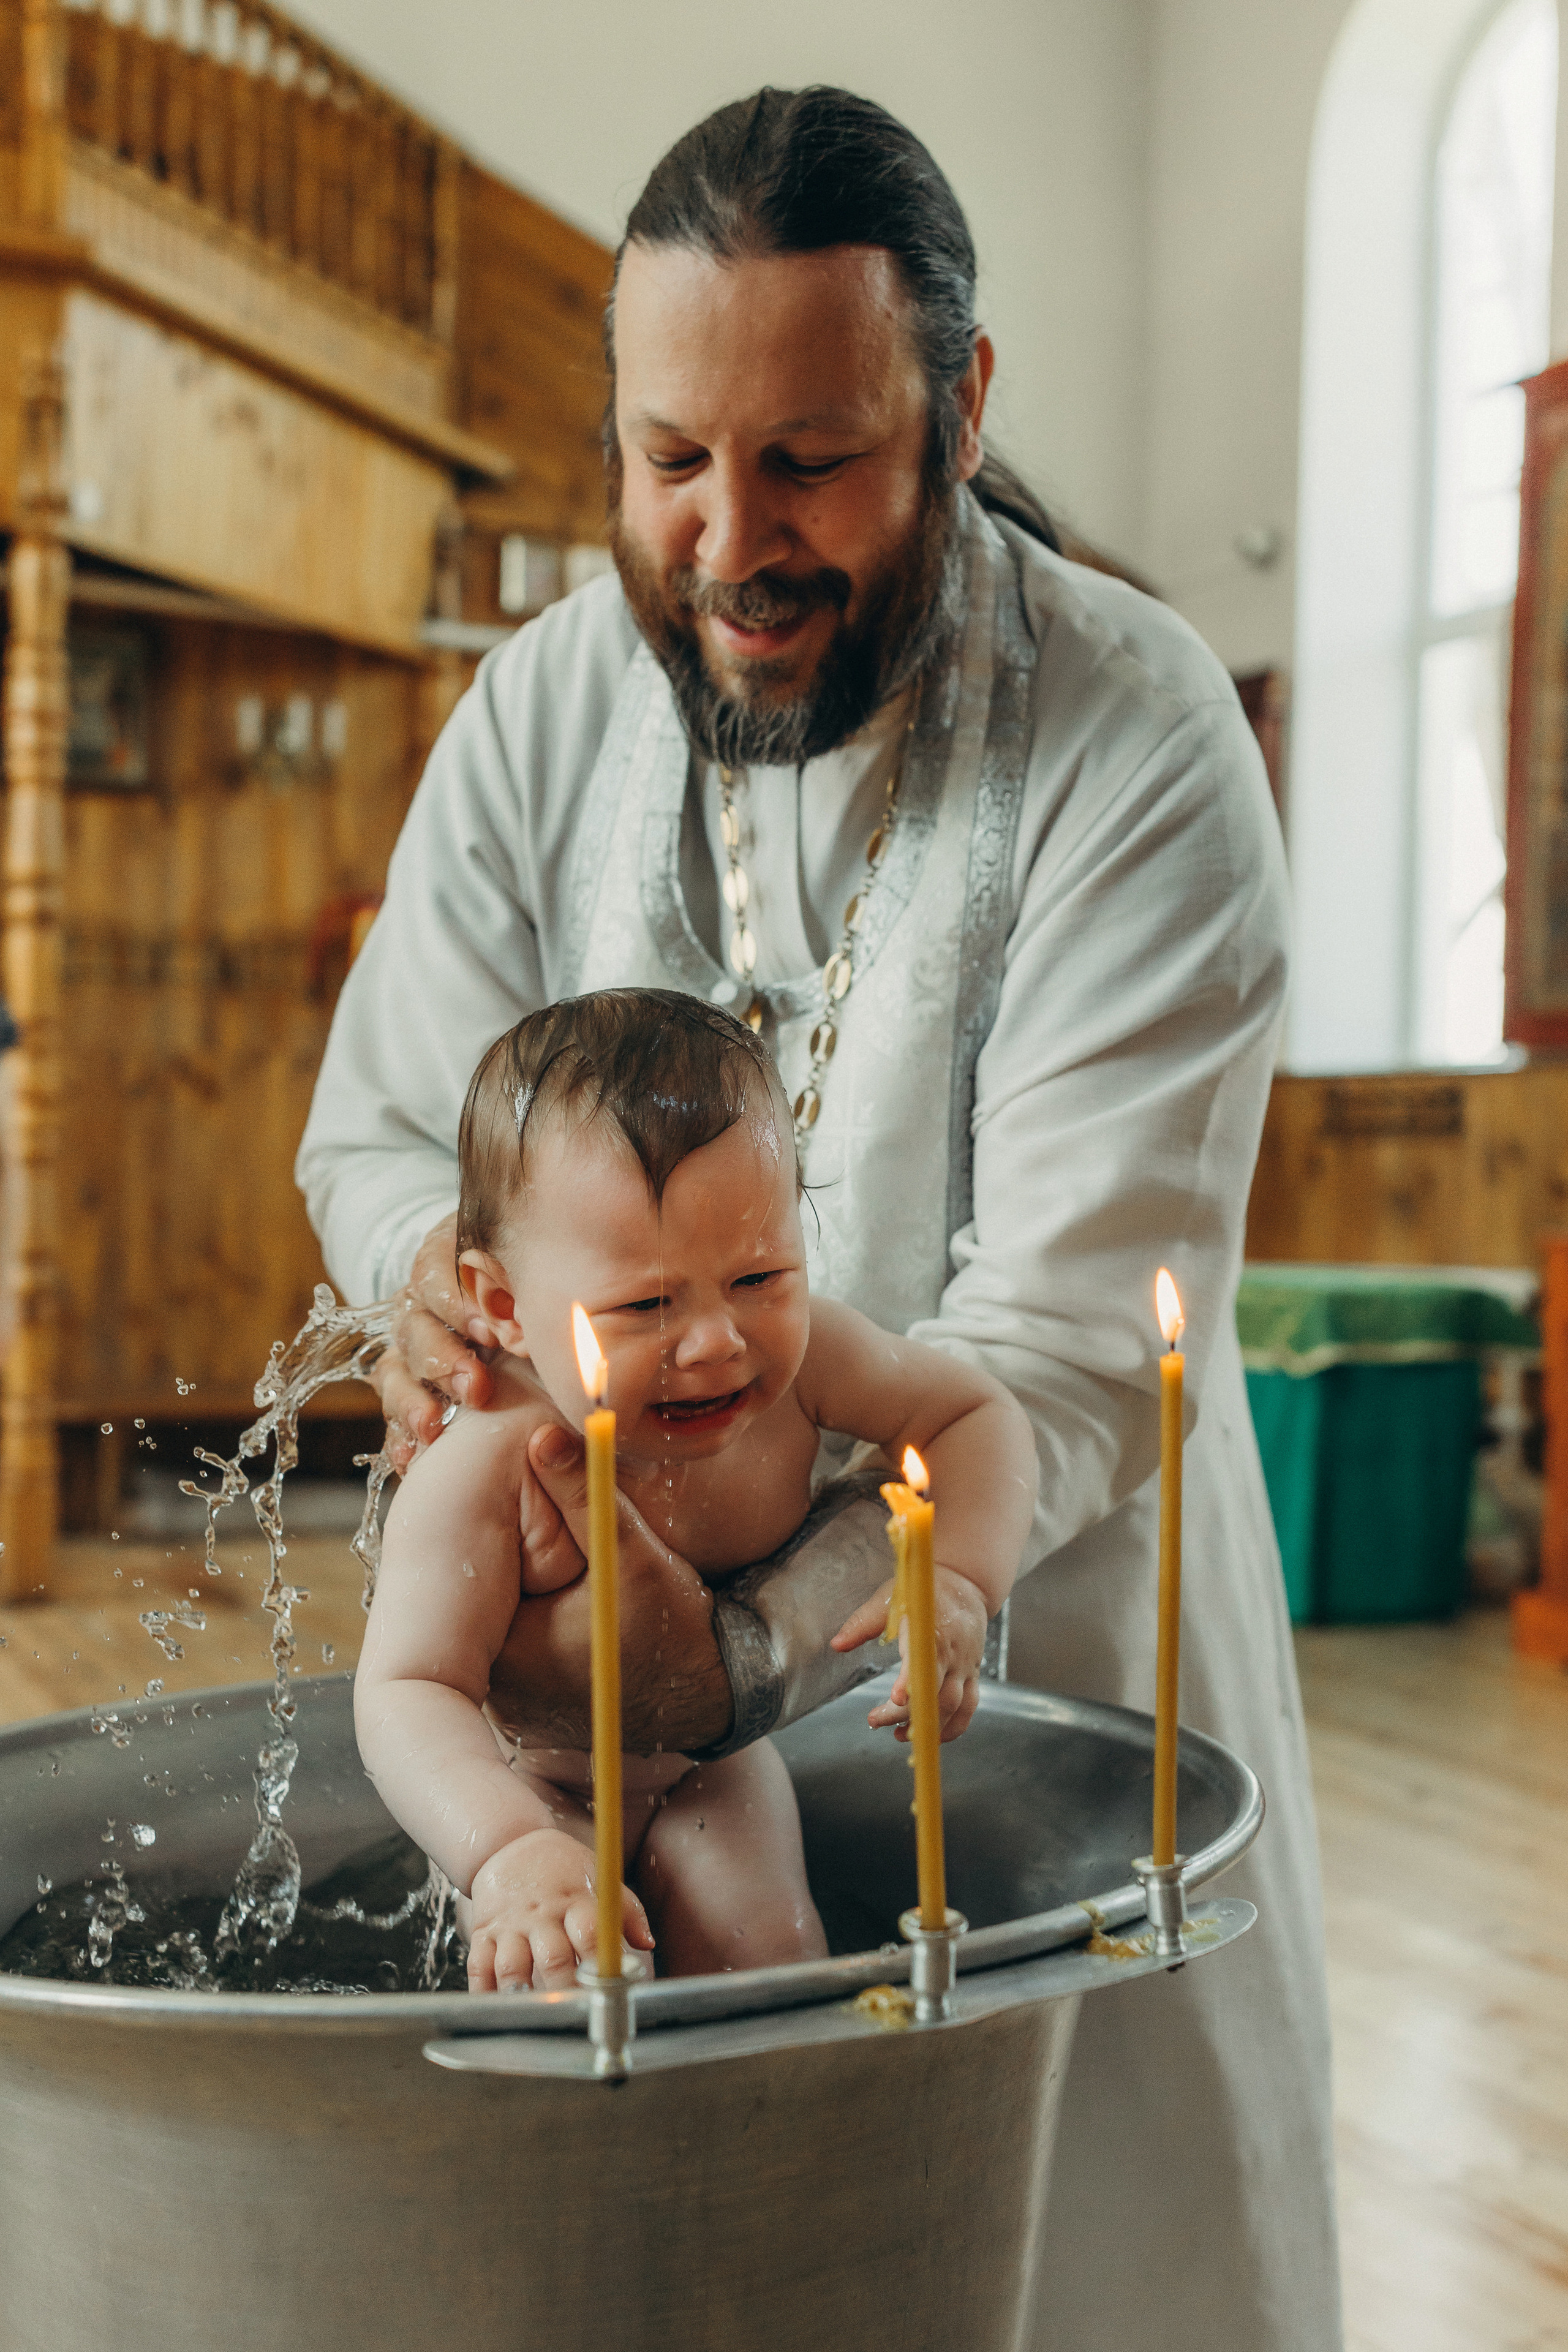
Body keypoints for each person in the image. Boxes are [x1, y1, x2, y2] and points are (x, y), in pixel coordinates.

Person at [299, 86, 1341, 2351]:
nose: (727, 540)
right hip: (583, 1717)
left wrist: (760, 1640)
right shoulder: (546, 705)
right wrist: (435, 1309)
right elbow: (384, 1133)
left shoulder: (1137, 731)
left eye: (809, 462)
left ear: (961, 407)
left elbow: (1062, 1347)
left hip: (1027, 1640)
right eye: (672, 458)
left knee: (1082, 2271)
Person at [356, 987, 1033, 1991]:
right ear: (500, 1304)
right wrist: (504, 1853)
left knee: (770, 1958)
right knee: (557, 1987)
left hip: (711, 1766)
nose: (719, 1340)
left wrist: (965, 1580)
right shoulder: (491, 1459)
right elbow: (407, 1688)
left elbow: (977, 1418)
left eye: (761, 1279)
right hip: (521, 1789)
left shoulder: (807, 1372)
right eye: (647, 1304)